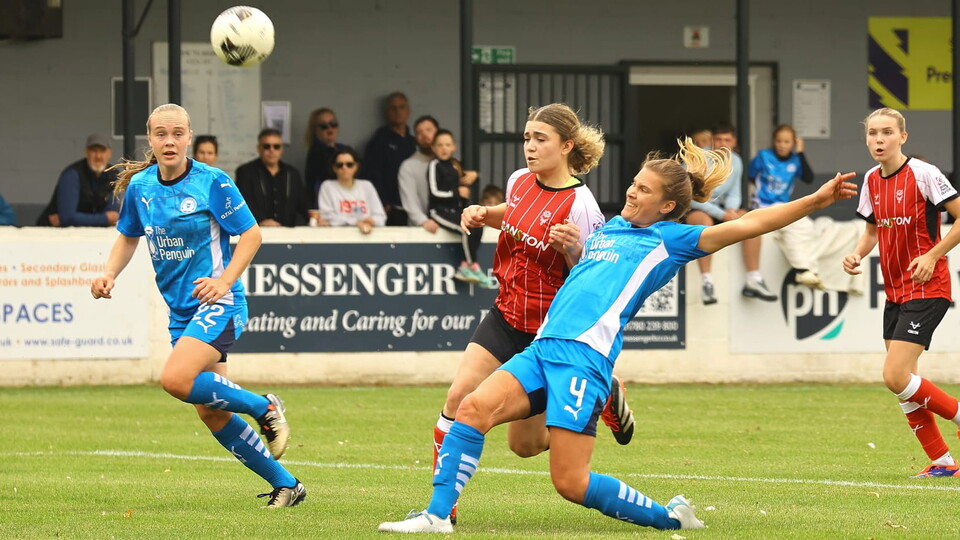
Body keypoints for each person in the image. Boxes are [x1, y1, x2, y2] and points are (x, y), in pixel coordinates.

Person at [380, 138, 857, 533]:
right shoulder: (610, 227)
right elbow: (538, 227)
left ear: (667, 205)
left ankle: (670, 518)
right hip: (544, 346)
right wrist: (502, 219)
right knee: (472, 408)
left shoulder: (672, 240)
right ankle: (437, 516)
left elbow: (751, 223)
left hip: (584, 360)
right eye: (633, 183)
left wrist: (817, 200)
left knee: (570, 483)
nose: (631, 192)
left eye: (643, 190)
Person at [89, 103, 306, 508]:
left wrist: (225, 282)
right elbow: (127, 236)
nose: (169, 141)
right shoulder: (141, 187)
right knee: (209, 412)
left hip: (221, 303)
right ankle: (288, 486)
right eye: (160, 134)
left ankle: (265, 406)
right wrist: (109, 273)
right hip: (183, 313)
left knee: (175, 380)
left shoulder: (213, 182)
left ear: (189, 137)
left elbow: (252, 235)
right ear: (150, 140)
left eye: (177, 133)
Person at [428, 103, 633, 526]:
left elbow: (594, 284)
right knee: (457, 397)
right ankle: (440, 511)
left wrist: (574, 251)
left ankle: (602, 394)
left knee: (524, 446)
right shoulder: (520, 181)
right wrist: (486, 215)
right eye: (527, 137)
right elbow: (516, 212)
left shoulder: (582, 206)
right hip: (505, 315)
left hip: (548, 335)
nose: (529, 147)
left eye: (540, 139)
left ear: (566, 146)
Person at [842, 107, 960, 478]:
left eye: (887, 132)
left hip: (928, 286)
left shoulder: (925, 175)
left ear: (902, 137)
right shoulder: (871, 181)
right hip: (895, 292)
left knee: (895, 376)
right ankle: (942, 462)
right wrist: (856, 254)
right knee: (905, 384)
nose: (879, 139)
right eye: (873, 133)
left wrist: (933, 253)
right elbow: (873, 231)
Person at [748, 124, 819, 287]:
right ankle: (802, 269)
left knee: (806, 226)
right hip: (762, 206)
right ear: (774, 141)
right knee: (799, 224)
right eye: (779, 141)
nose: (782, 145)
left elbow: (809, 178)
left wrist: (800, 152)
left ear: (793, 143)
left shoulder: (795, 160)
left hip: (781, 206)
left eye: (787, 142)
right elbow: (751, 176)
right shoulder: (763, 156)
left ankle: (804, 269)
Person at [685, 125, 746, 304]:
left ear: (733, 142)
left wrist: (731, 210)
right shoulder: (699, 158)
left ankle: (754, 278)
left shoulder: (736, 160)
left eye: (727, 140)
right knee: (703, 222)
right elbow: (690, 198)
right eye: (718, 139)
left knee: (747, 217)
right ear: (712, 140)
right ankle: (707, 282)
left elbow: (735, 193)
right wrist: (722, 214)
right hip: (693, 209)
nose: (722, 144)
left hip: (719, 211)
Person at [426, 129, 492, 287]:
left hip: (456, 210)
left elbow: (465, 180)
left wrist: (475, 176)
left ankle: (467, 265)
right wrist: (456, 193)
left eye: (447, 144)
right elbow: (434, 192)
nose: (444, 148)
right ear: (433, 148)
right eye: (440, 145)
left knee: (477, 225)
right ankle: (470, 266)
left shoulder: (455, 164)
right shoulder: (434, 165)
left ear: (454, 147)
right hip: (439, 211)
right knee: (466, 229)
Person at [36, 134, 119, 227]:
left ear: (109, 153)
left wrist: (82, 219)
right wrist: (104, 219)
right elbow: (68, 218)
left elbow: (112, 215)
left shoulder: (113, 175)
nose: (98, 156)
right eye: (94, 151)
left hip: (88, 234)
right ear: (86, 152)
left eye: (102, 151)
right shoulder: (72, 175)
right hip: (49, 233)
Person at [235, 128, 309, 227]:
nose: (271, 150)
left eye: (276, 146)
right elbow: (242, 202)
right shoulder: (246, 172)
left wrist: (314, 218)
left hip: (288, 233)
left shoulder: (292, 173)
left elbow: (303, 203)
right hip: (257, 230)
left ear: (282, 149)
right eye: (266, 146)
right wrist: (261, 220)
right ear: (259, 148)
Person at [362, 91, 417, 225]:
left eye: (401, 107)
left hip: (415, 207)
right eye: (393, 108)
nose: (398, 112)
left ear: (408, 111)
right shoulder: (379, 141)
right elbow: (372, 174)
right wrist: (383, 202)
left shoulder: (414, 142)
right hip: (391, 208)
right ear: (387, 112)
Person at [316, 147, 386, 234]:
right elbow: (327, 216)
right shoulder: (327, 186)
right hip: (337, 237)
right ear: (334, 168)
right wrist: (356, 222)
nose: (344, 168)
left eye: (349, 164)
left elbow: (380, 216)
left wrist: (370, 221)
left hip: (367, 236)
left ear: (356, 166)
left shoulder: (367, 186)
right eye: (339, 165)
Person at [399, 115, 440, 231]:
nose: (425, 135)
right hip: (421, 230)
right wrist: (423, 221)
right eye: (419, 132)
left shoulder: (453, 163)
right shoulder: (408, 166)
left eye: (428, 130)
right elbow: (410, 201)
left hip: (450, 226)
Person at [303, 108, 345, 203]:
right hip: (326, 203)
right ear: (315, 130)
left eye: (333, 124)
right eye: (324, 126)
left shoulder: (342, 148)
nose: (330, 129)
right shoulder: (316, 152)